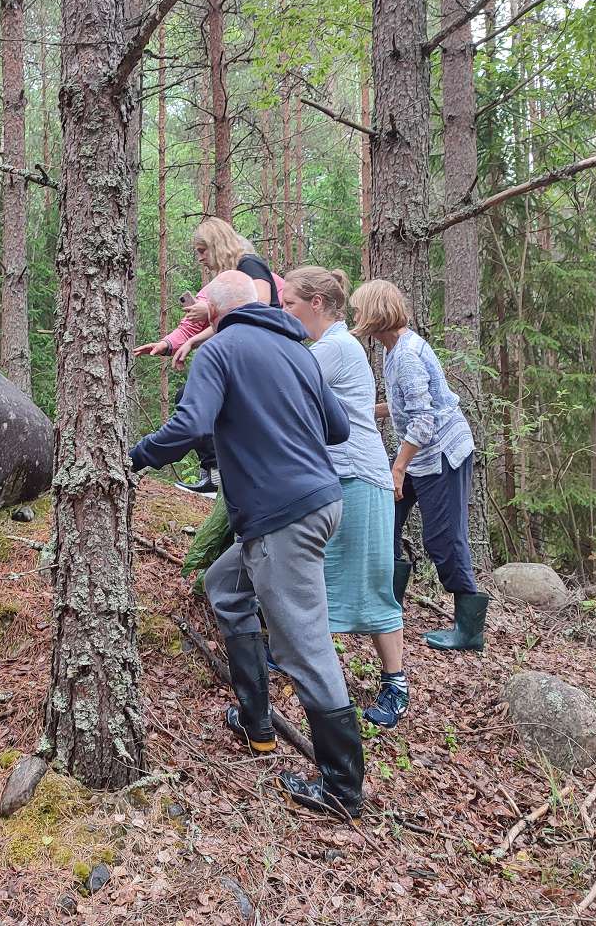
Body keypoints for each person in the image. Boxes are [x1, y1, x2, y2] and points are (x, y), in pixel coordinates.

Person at [131, 271, 365, 824]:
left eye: (199, 305)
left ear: (212, 308)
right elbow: (337, 427)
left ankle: (342, 788)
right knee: (225, 586)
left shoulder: (221, 350)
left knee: (304, 645)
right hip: (319, 504)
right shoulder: (298, 351)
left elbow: (189, 425)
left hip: (282, 518)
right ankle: (257, 723)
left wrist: (136, 457)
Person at [283, 266, 408, 728]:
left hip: (360, 477)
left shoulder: (335, 346)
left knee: (372, 582)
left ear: (317, 303)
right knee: (325, 576)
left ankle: (396, 683)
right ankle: (312, 664)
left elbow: (285, 384)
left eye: (290, 304)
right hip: (338, 480)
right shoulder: (330, 346)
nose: (285, 312)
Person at [351, 279, 489, 652]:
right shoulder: (391, 349)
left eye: (360, 310)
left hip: (441, 453)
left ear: (376, 314)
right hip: (419, 452)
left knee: (443, 538)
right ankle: (387, 606)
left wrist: (398, 468)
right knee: (386, 517)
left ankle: (469, 631)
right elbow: (406, 404)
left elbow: (424, 421)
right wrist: (364, 410)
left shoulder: (408, 354)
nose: (355, 316)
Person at [134, 219, 285, 497]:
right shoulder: (228, 275)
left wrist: (210, 309)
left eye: (203, 250)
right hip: (248, 352)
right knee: (190, 398)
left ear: (217, 245)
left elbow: (259, 308)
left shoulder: (249, 265)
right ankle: (217, 475)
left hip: (260, 355)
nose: (200, 257)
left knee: (197, 402)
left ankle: (221, 475)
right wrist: (186, 342)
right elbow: (226, 321)